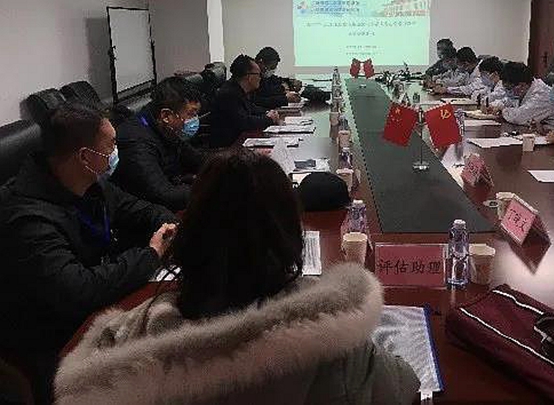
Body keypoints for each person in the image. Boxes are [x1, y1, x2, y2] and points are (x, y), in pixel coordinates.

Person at [55, 149, 420, 405]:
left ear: (190, 231)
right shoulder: (334, 335)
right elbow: (406, 387)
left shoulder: (126, 344)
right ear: (290, 234)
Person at [0, 102, 177, 403]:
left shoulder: (92, 184)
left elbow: (144, 210)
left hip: (96, 305)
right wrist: (150, 254)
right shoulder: (27, 218)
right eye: (111, 146)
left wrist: (167, 226)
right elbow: (78, 289)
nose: (116, 152)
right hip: (50, 336)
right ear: (85, 157)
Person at [112, 77, 206, 212]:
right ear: (166, 116)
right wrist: (206, 188)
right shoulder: (136, 142)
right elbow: (163, 195)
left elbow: (198, 159)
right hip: (146, 216)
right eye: (191, 114)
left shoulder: (166, 129)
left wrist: (224, 165)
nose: (194, 120)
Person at [210, 54, 281, 147]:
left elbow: (251, 108)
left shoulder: (239, 89)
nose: (260, 78)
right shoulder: (229, 94)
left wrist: (268, 112)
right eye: (258, 75)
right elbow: (245, 122)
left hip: (238, 141)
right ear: (249, 76)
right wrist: (269, 119)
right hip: (228, 148)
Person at [489, 62, 554, 130]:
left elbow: (519, 117)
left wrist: (502, 111)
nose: (508, 92)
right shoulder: (526, 89)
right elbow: (509, 101)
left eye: (509, 89)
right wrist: (496, 105)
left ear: (522, 85)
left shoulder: (542, 95)